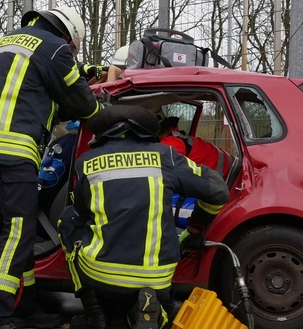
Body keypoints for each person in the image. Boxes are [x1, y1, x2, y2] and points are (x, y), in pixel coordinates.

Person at [0, 6, 101, 329]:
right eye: (74, 48)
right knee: (16, 234)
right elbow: (82, 102)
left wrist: (92, 69)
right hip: (14, 152)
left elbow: (39, 82)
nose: (72, 53)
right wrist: (103, 113)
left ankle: (25, 306)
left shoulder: (6, 43)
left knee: (16, 231)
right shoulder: (56, 49)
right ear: (68, 36)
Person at [59, 105, 229, 329]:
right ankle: (155, 313)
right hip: (158, 275)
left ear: (101, 134)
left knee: (67, 219)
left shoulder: (86, 162)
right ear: (147, 131)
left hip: (101, 274)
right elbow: (219, 192)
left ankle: (95, 313)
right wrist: (195, 227)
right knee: (160, 299)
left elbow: (80, 211)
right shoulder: (166, 156)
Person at [159, 116, 235, 178]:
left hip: (228, 174)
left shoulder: (170, 143)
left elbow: (168, 172)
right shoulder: (177, 136)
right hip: (230, 166)